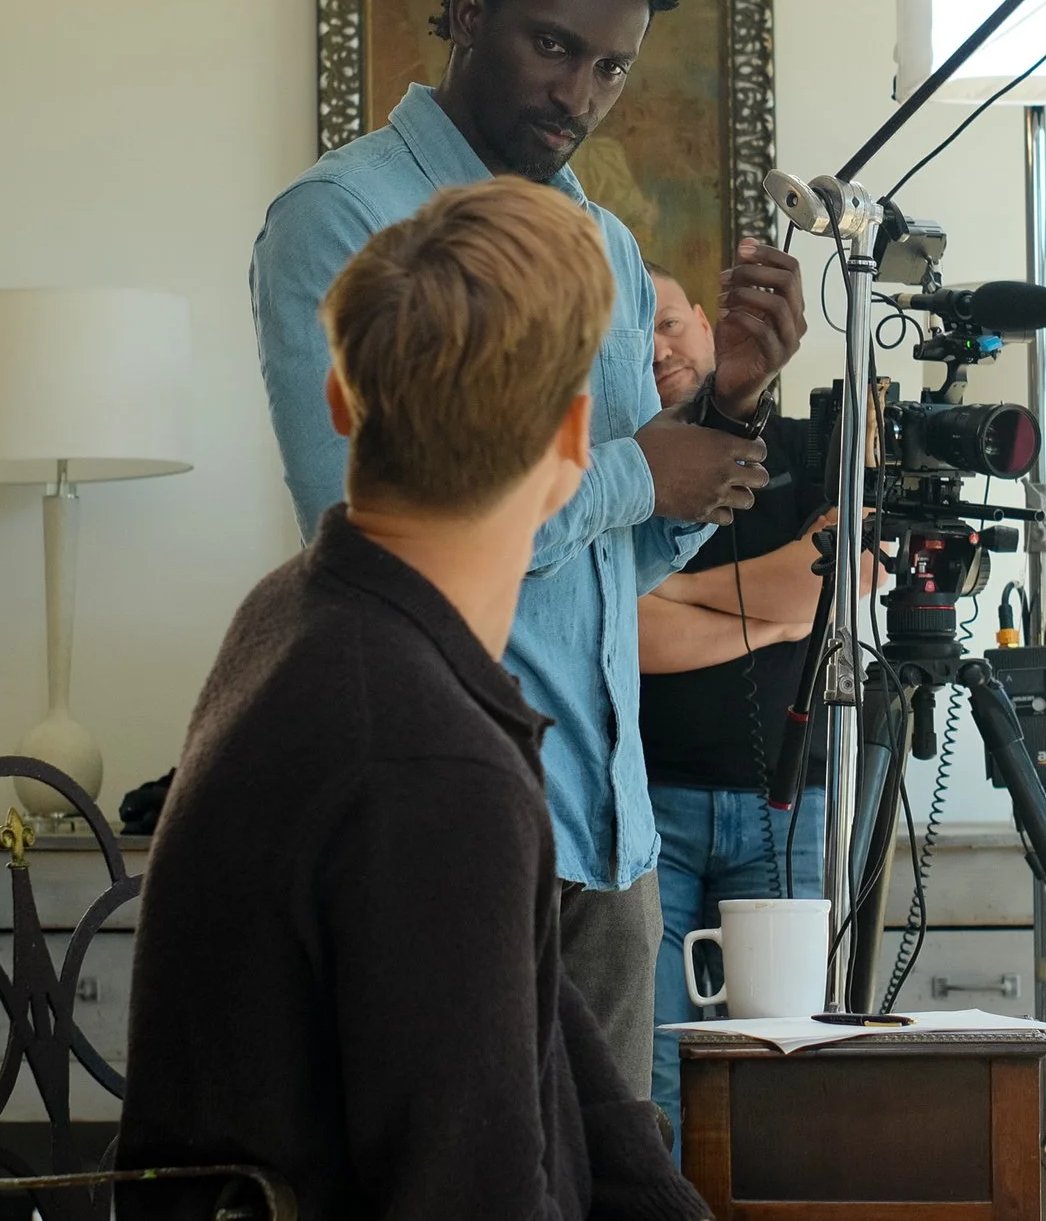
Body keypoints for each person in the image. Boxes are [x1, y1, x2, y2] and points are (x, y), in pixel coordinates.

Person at [250, 0, 807, 1096]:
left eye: (611, 68)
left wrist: (729, 403)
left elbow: (621, 552)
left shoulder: (604, 247)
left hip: (614, 843)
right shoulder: (339, 222)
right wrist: (631, 470)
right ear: (461, 11)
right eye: (552, 46)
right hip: (441, 826)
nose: (579, 95)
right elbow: (371, 533)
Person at [120, 178, 708, 1221]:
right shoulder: (428, 766)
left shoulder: (302, 612)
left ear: (342, 401)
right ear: (578, 438)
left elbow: (558, 1048)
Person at [636, 265, 834, 1129]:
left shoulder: (809, 449)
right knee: (653, 1070)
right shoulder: (616, 476)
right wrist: (777, 619)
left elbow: (832, 585)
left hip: (789, 806)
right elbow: (624, 633)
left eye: (672, 324)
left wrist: (669, 594)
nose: (657, 348)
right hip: (645, 803)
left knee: (785, 1066)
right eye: (633, 335)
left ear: (709, 333)